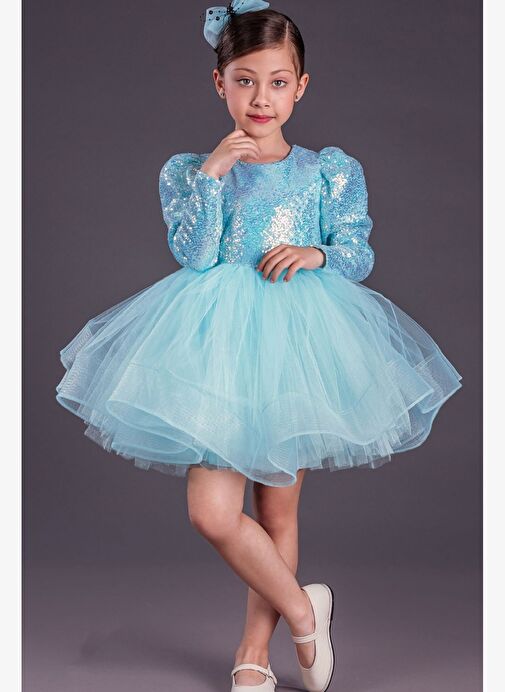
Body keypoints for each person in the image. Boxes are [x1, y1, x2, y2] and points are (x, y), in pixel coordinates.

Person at [55, 1, 463, 690]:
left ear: (301, 86)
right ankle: (305, 612)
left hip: (296, 341)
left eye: (277, 82)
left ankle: (253, 653)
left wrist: (316, 253)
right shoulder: (189, 170)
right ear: (219, 83)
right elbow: (194, 255)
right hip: (217, 343)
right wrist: (213, 175)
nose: (261, 98)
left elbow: (357, 251)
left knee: (276, 510)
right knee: (212, 513)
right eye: (244, 81)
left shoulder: (329, 170)